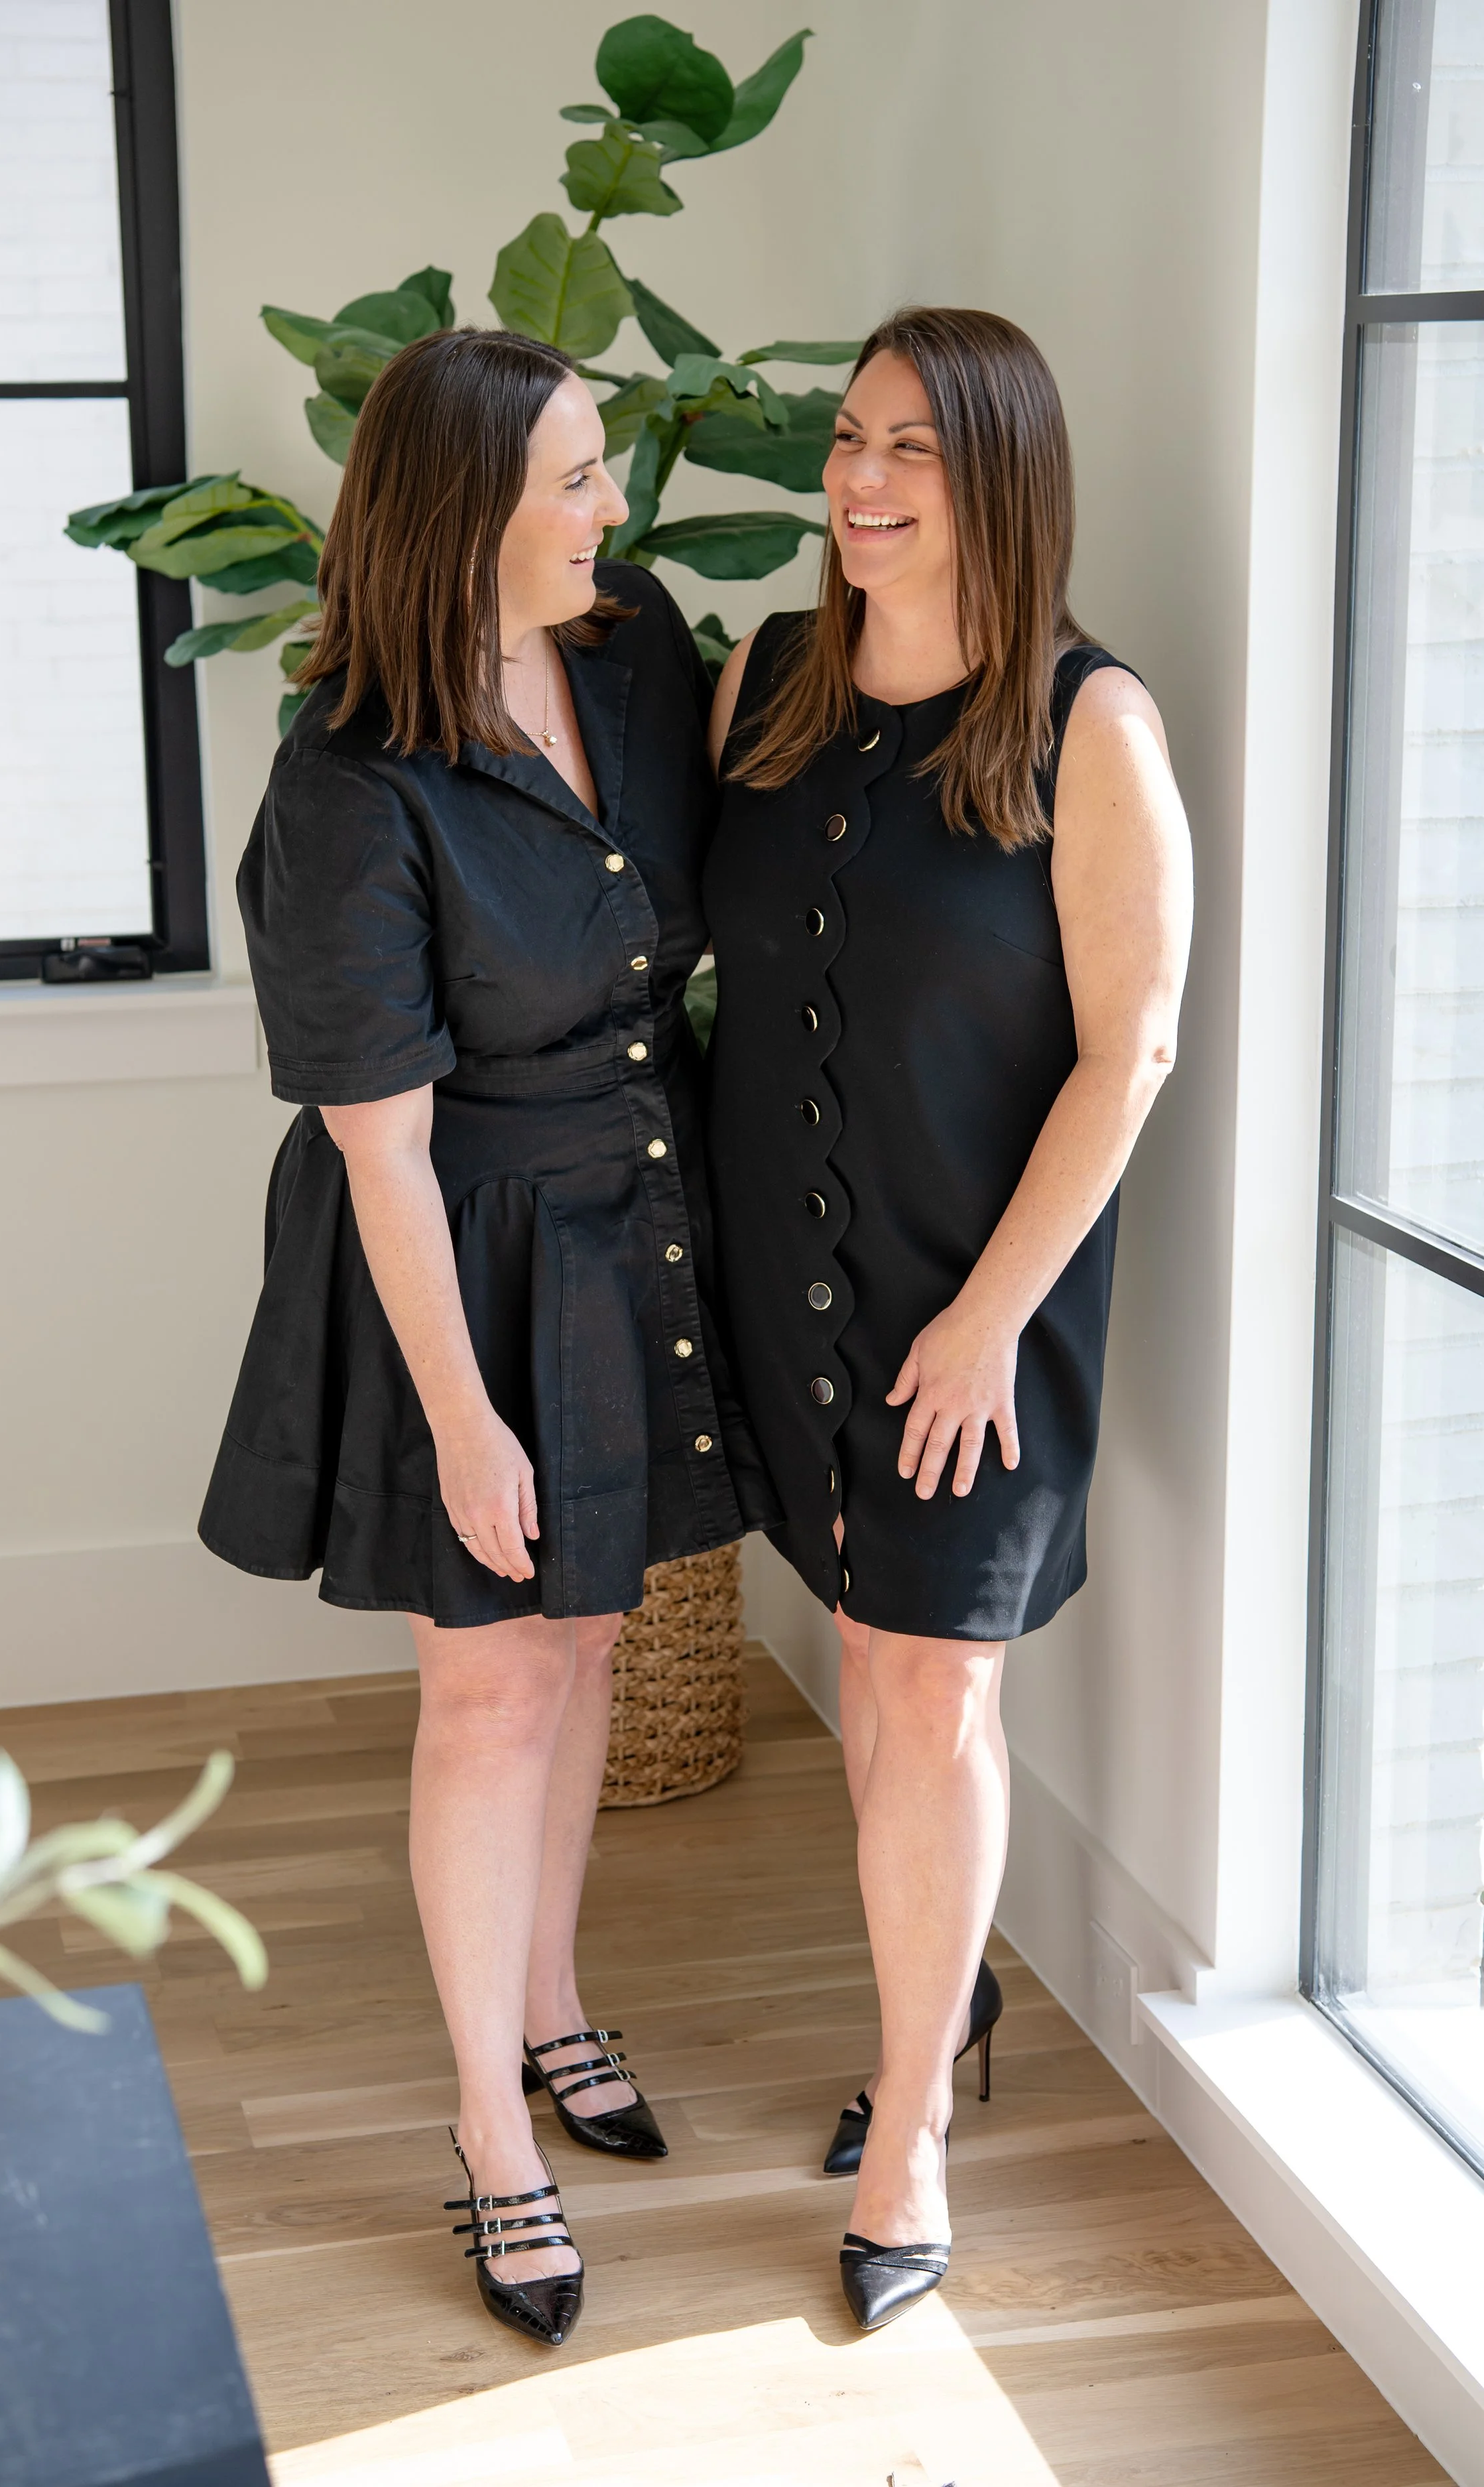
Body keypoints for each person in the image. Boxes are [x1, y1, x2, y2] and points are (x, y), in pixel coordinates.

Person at [199, 327, 775, 2348]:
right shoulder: (351, 774)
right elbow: (376, 1138)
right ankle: (485, 2130)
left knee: (593, 1634)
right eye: (576, 478)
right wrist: (458, 1416)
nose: (612, 506)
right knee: (484, 1696)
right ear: (463, 517)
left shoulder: (629, 657)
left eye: (605, 467)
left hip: (633, 1225)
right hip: (455, 1249)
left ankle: (549, 2002)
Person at [703, 307, 1192, 2331]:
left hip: (968, 1299)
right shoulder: (766, 683)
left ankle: (908, 2118)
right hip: (779, 1277)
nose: (860, 479)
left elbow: (1130, 1046)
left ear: (1001, 475)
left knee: (930, 1687)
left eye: (911, 444)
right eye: (845, 437)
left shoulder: (1088, 725)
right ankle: (946, 1979)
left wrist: (994, 1312)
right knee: (863, 1654)